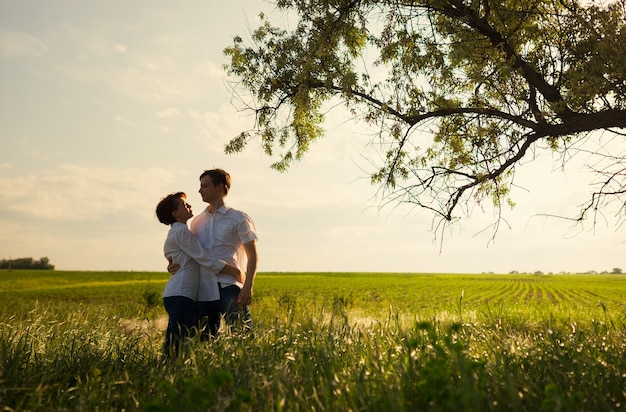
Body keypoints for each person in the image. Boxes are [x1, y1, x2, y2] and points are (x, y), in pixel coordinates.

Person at [169, 168, 258, 339]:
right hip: (202, 290)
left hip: (229, 287)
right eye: (200, 186)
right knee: (205, 342)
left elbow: (252, 254)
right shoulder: (196, 222)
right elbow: (191, 252)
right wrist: (171, 262)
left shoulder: (239, 218)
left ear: (220, 187)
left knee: (243, 337)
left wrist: (248, 286)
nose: (200, 190)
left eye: (205, 186)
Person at [155, 191, 240, 356]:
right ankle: (174, 374)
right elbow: (204, 258)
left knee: (175, 340)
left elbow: (175, 256)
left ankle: (166, 372)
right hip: (181, 293)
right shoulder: (181, 232)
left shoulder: (179, 232)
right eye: (184, 205)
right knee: (181, 341)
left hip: (180, 293)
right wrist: (233, 270)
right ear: (175, 213)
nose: (189, 206)